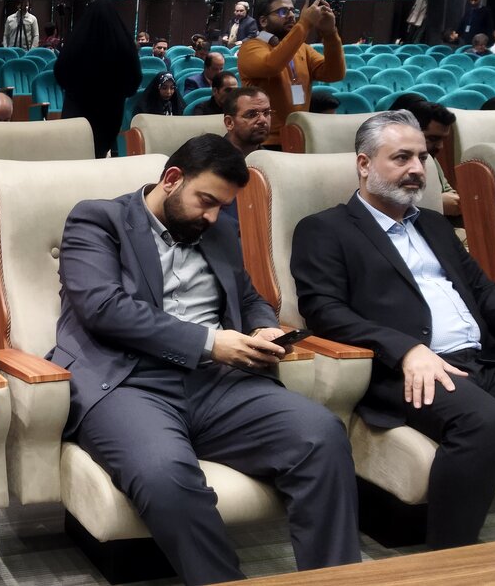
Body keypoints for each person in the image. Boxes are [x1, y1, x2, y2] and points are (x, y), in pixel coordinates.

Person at [53, 134, 359, 585]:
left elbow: (248, 296)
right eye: (207, 201)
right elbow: (104, 308)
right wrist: (210, 342)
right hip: (127, 382)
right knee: (164, 473)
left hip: (219, 382)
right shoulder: (98, 220)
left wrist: (263, 328)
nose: (213, 217)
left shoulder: (218, 231)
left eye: (223, 207)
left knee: (322, 435)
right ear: (172, 179)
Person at [291, 111, 495, 550]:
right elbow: (324, 312)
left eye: (423, 158)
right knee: (484, 423)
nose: (416, 169)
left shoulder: (433, 223)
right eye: (402, 157)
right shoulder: (324, 229)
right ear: (364, 164)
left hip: (483, 359)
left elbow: (484, 291)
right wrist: (406, 349)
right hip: (405, 369)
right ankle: (449, 561)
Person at [238, 0, 344, 147]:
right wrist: (305, 23)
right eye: (282, 11)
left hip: (299, 136)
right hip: (264, 141)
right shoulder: (250, 48)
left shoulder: (302, 48)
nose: (291, 15)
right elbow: (271, 65)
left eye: (293, 11)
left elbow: (335, 74)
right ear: (263, 21)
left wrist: (330, 33)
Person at [55, 0, 140, 157]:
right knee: (99, 154)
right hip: (110, 113)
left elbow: (60, 72)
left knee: (74, 156)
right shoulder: (123, 43)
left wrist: (76, 91)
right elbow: (134, 81)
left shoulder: (77, 40)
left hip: (76, 111)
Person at [401, 101, 461, 227]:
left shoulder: (430, 159)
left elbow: (446, 189)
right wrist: (437, 203)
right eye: (433, 139)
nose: (440, 146)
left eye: (443, 139)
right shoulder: (395, 163)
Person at [222, 86, 270, 158]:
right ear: (229, 123)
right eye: (252, 115)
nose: (263, 120)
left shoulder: (273, 160)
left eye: (266, 113)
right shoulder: (209, 160)